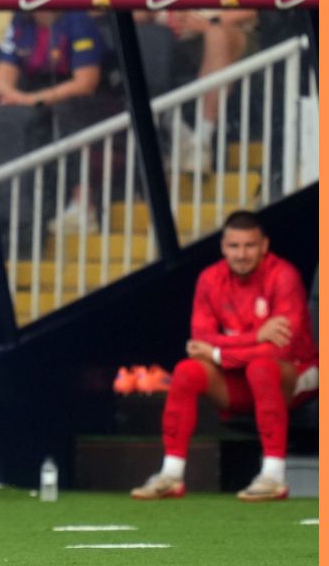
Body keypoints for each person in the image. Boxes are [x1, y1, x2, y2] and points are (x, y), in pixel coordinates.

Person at [132, 211, 319, 502]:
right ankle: (171, 474)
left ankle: (273, 476)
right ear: (223, 247)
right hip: (244, 378)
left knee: (262, 367)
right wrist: (256, 337)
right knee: (187, 370)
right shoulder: (210, 279)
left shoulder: (284, 276)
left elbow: (278, 350)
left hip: (296, 377)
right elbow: (199, 343)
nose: (241, 254)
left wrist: (219, 352)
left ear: (264, 246)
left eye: (250, 246)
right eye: (234, 246)